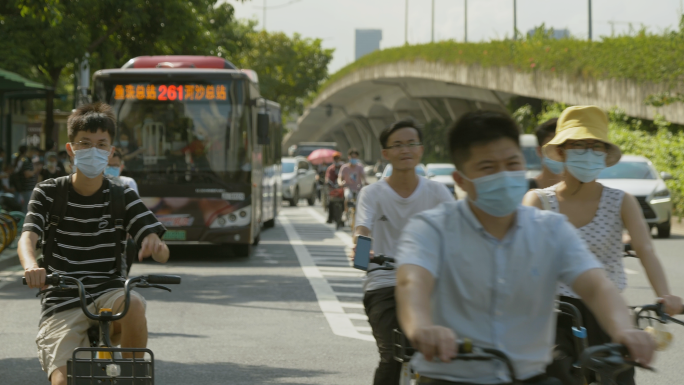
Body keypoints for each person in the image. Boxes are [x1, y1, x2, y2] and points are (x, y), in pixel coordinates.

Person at [394, 110, 657, 385]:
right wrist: (422, 328)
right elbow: (411, 284)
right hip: (449, 376)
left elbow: (596, 285)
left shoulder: (551, 229)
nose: (504, 175)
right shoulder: (430, 229)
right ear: (461, 180)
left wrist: (624, 330)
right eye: (488, 167)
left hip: (533, 377)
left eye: (512, 163)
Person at [522, 106, 682, 385]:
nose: (587, 152)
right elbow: (522, 260)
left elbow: (646, 250)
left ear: (604, 155)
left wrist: (665, 296)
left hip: (610, 312)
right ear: (561, 152)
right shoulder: (538, 201)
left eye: (595, 146)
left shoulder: (621, 201)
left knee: (619, 376)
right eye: (579, 145)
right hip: (556, 314)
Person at [19, 102, 169, 385]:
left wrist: (155, 244)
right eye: (85, 143)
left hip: (108, 295)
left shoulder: (121, 195)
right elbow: (28, 236)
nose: (94, 151)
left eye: (102, 144)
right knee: (64, 381)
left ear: (111, 152)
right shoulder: (49, 192)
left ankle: (132, 378)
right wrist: (30, 266)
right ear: (71, 148)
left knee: (133, 302)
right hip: (61, 300)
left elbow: (160, 250)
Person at [353, 118, 454, 385]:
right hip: (384, 283)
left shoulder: (437, 191)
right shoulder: (372, 193)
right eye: (397, 145)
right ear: (385, 153)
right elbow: (362, 230)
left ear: (421, 150)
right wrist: (362, 254)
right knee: (392, 356)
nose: (405, 150)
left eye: (411, 143)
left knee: (444, 354)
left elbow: (458, 231)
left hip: (430, 284)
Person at [528, 118, 564, 190]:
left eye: (562, 146)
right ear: (539, 151)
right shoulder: (526, 189)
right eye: (551, 148)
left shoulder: (578, 191)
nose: (558, 152)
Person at [338, 148, 367, 217]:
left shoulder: (360, 167)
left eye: (355, 157)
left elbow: (364, 177)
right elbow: (339, 178)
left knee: (361, 200)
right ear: (349, 157)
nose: (354, 159)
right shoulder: (344, 167)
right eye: (352, 157)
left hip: (358, 188)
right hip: (348, 187)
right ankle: (346, 212)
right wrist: (340, 183)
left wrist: (365, 182)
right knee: (348, 196)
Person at [13, 145, 38, 212]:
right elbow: (27, 174)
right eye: (33, 152)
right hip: (26, 188)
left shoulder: (26, 160)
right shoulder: (25, 161)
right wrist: (36, 170)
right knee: (27, 207)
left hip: (28, 188)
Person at [325, 154, 343, 223]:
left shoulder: (343, 168)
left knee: (344, 201)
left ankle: (342, 217)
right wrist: (328, 182)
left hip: (341, 189)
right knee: (330, 202)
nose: (337, 160)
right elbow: (327, 178)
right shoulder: (330, 169)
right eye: (335, 158)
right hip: (333, 188)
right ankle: (330, 217)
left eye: (338, 158)